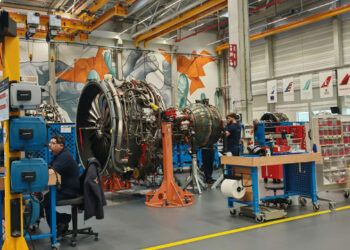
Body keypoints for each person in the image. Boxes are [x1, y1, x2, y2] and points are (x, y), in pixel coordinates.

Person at [42, 135, 80, 235]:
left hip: (70, 190)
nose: (50, 145)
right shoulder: (59, 155)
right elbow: (49, 166)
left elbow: (52, 171)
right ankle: (62, 221)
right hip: (64, 188)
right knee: (44, 199)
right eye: (50, 142)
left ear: (61, 145)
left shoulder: (64, 157)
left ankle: (59, 224)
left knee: (47, 200)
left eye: (53, 143)